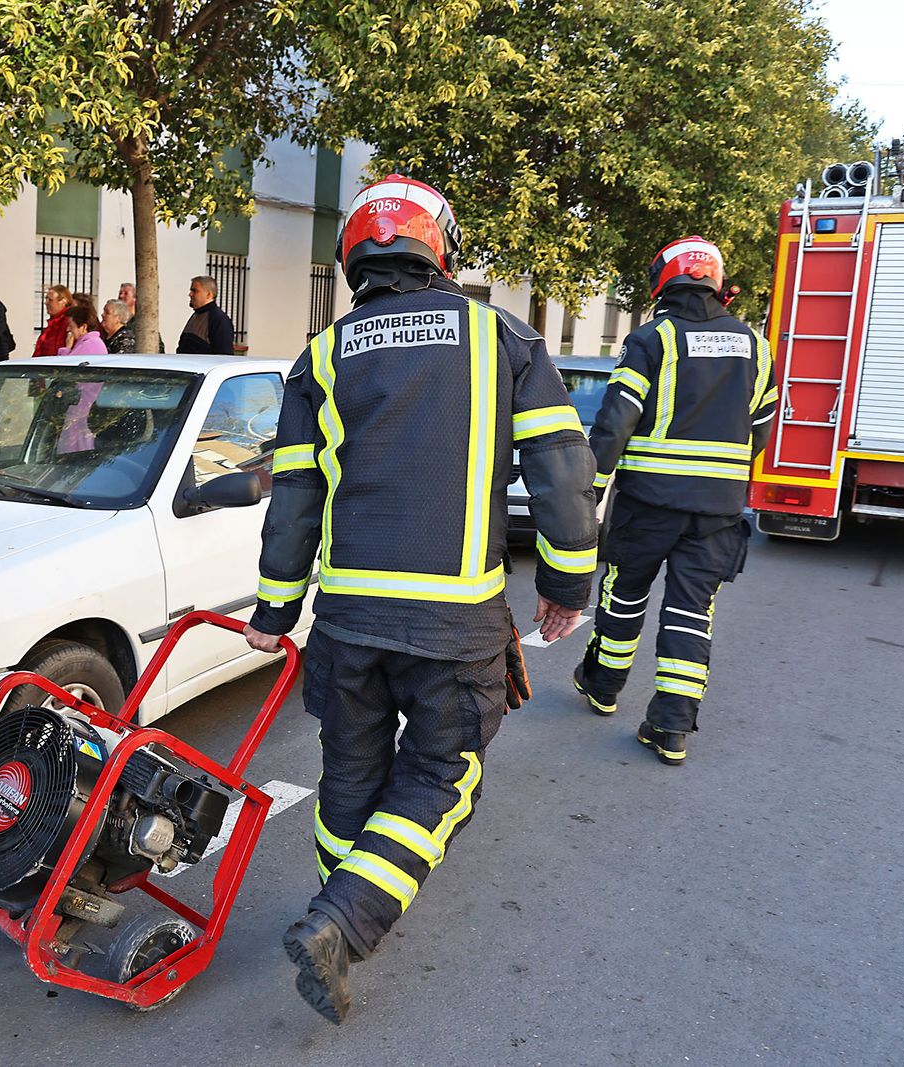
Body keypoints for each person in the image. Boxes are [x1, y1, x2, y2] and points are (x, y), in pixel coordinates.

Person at [243, 175, 597, 1024]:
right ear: (441, 246)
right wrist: (565, 585)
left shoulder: (320, 355)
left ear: (353, 257)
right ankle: (343, 919)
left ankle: (332, 905)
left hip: (349, 622)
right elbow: (561, 468)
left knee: (351, 771)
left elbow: (294, 497)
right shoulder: (502, 337)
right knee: (444, 774)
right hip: (455, 621)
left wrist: (273, 610)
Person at [572, 236, 776, 767]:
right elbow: (763, 424)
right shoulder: (755, 345)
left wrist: (590, 492)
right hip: (718, 511)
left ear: (663, 280)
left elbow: (615, 422)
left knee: (624, 596)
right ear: (715, 281)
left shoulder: (652, 339)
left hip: (648, 503)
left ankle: (603, 687)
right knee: (692, 612)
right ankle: (671, 729)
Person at [177, 275, 234, 355]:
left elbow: (224, 356)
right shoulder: (196, 315)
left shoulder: (219, 319)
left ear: (208, 294)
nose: (190, 294)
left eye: (195, 291)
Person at [33, 284, 72, 357]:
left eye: (50, 300)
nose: (46, 303)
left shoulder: (67, 322)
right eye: (46, 299)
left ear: (63, 301)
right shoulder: (53, 323)